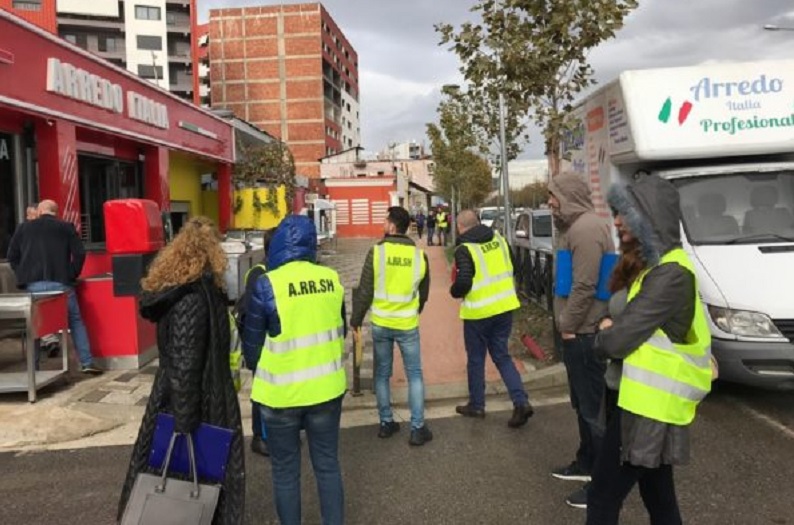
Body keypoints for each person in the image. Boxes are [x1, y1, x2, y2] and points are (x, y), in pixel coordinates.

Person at [586, 174, 712, 525]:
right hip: (642, 401)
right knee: (658, 497)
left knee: (601, 498)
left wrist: (604, 334)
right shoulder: (656, 268)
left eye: (624, 213)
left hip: (646, 408)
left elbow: (618, 339)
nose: (616, 221)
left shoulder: (670, 274)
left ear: (648, 217)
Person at [118, 216, 245, 525]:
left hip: (190, 396)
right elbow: (186, 363)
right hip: (199, 402)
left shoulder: (190, 291)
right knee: (192, 477)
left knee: (188, 475)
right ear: (210, 252)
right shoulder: (193, 298)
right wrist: (185, 422)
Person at [242, 215, 347, 525]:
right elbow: (338, 329)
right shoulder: (332, 279)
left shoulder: (266, 284)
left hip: (281, 396)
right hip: (327, 391)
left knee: (285, 471)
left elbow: (252, 349)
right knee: (327, 465)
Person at [547, 173, 615, 509]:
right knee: (583, 406)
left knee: (593, 411)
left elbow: (585, 285)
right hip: (579, 331)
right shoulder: (576, 227)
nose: (549, 202)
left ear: (569, 195)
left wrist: (568, 324)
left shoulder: (586, 229)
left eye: (553, 196)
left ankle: (602, 485)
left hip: (585, 333)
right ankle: (586, 462)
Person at [351, 206, 432, 446]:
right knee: (415, 375)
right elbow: (424, 293)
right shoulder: (419, 256)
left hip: (381, 323)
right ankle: (418, 428)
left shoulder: (376, 253)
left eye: (386, 221)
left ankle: (386, 423)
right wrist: (413, 310)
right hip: (407, 324)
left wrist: (355, 321)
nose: (383, 225)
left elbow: (364, 291)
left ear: (393, 226)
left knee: (382, 374)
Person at [450, 209, 534, 428]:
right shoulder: (499, 239)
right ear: (477, 222)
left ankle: (477, 405)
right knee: (502, 356)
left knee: (476, 359)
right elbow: (514, 267)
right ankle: (521, 401)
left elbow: (464, 282)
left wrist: (454, 291)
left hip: (478, 313)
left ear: (460, 227)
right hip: (505, 308)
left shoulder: (464, 249)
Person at [7, 199, 101, 373]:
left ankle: (33, 368)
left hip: (33, 285)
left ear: (40, 210)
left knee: (33, 325)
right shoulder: (66, 227)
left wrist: (23, 273)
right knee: (75, 321)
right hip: (61, 283)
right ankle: (87, 363)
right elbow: (79, 253)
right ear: (55, 212)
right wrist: (71, 273)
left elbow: (12, 256)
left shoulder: (23, 228)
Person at [233, 229, 275, 458]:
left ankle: (274, 433)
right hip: (262, 345)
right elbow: (251, 314)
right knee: (262, 392)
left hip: (279, 346)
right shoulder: (258, 273)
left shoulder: (278, 271)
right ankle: (260, 436)